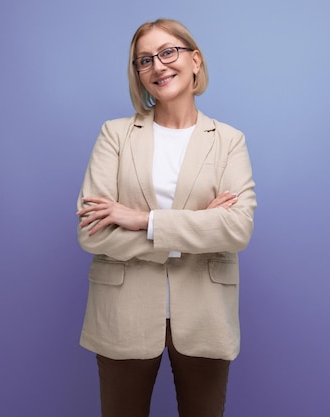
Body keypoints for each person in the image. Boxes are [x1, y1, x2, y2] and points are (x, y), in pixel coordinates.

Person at [76, 18, 256, 417]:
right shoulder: (115, 135)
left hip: (206, 315)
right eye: (144, 60)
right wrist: (196, 227)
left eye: (168, 52)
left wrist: (144, 220)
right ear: (138, 74)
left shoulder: (229, 141)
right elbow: (93, 232)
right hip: (123, 313)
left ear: (195, 60)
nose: (157, 66)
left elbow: (237, 227)